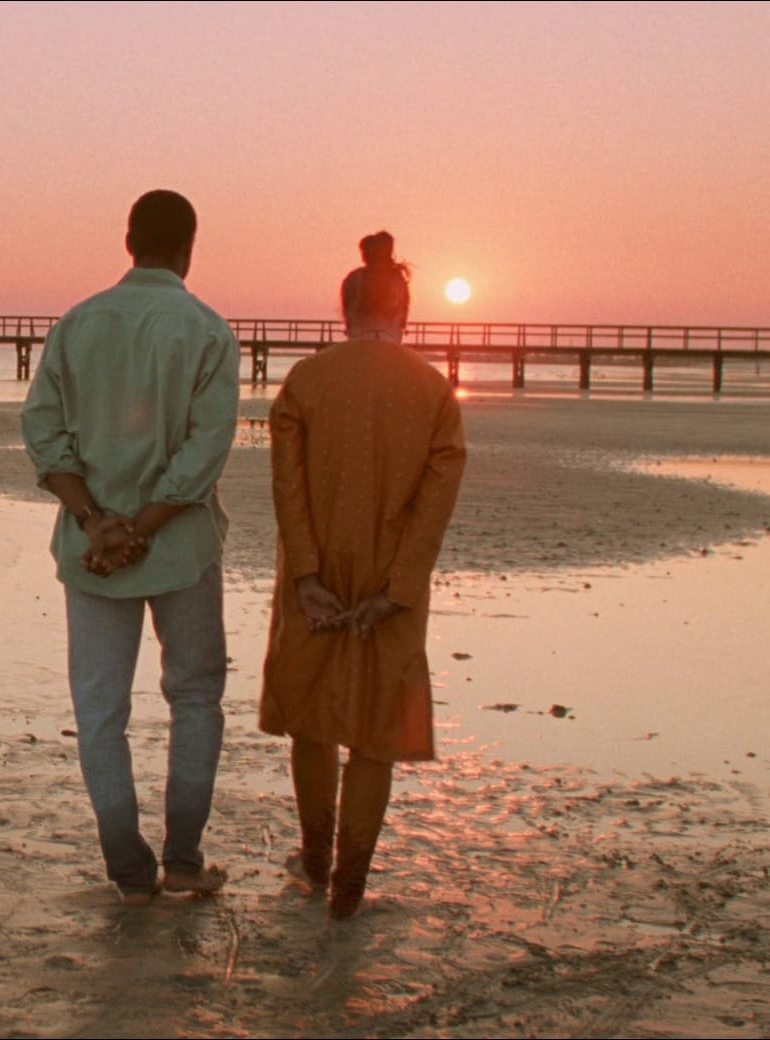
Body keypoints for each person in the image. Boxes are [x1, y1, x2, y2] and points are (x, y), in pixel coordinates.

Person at [21, 189, 241, 905]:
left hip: (94, 553)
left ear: (128, 242)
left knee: (100, 710)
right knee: (195, 696)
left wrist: (95, 520)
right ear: (188, 249)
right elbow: (205, 450)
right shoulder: (207, 329)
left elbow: (43, 432)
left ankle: (128, 869)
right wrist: (144, 526)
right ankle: (183, 860)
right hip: (180, 548)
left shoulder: (77, 324)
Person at [260, 230, 467, 920]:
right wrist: (399, 588)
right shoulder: (433, 390)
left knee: (311, 719)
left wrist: (306, 576)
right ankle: (350, 884)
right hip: (391, 579)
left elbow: (287, 488)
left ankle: (315, 857)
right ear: (404, 311)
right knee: (376, 733)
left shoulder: (307, 380)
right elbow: (436, 502)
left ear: (344, 309)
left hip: (314, 571)